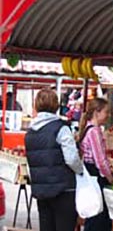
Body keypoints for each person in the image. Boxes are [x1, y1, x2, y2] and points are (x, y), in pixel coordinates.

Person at [25, 89, 83, 231]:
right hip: (63, 189)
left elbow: (30, 162)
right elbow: (71, 159)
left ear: (36, 105)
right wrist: (80, 171)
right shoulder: (61, 128)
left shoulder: (30, 132)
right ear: (56, 105)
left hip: (42, 190)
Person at [79, 98, 113, 231]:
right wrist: (111, 179)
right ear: (96, 113)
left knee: (94, 215)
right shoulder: (94, 131)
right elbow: (100, 161)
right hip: (96, 178)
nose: (108, 115)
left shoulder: (87, 128)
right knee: (99, 218)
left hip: (89, 175)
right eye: (106, 112)